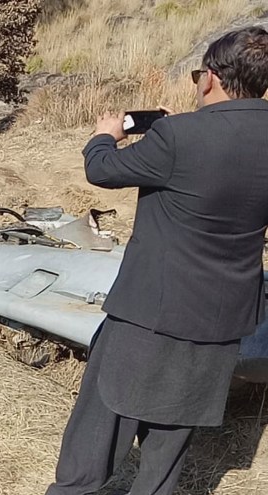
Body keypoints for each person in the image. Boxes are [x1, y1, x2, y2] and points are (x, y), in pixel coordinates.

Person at [46, 26, 268, 495]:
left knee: (97, 434)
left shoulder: (177, 135)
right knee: (169, 444)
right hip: (222, 318)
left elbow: (101, 170)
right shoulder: (184, 134)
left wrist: (104, 136)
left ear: (210, 78)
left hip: (147, 314)